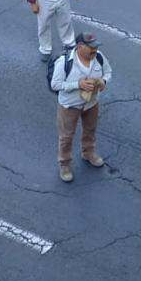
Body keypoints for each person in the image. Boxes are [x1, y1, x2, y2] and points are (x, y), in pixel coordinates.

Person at [51, 32, 111, 183]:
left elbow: (108, 72)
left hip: (91, 103)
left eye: (96, 47)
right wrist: (78, 84)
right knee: (66, 137)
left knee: (90, 130)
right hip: (70, 105)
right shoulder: (64, 62)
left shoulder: (99, 57)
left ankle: (88, 152)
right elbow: (55, 84)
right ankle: (64, 164)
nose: (95, 50)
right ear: (80, 47)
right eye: (91, 47)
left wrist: (103, 81)